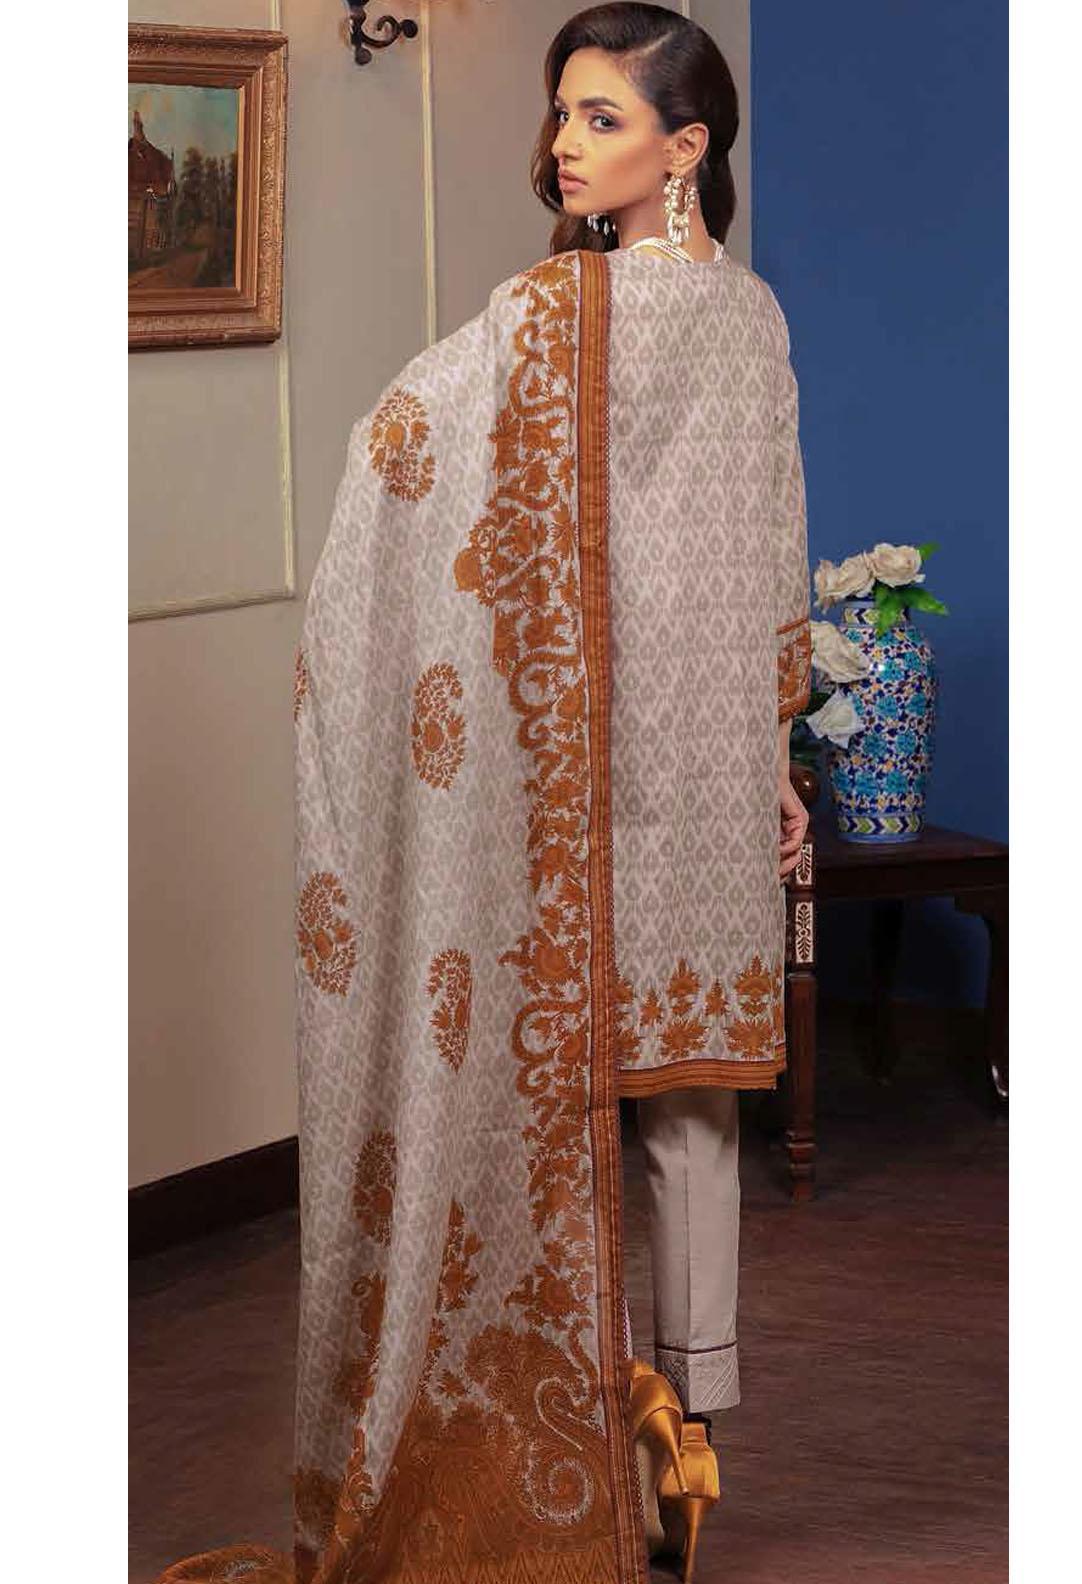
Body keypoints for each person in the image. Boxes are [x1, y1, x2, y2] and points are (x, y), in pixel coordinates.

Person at [154, 5, 811, 1582]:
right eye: (562, 114)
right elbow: (772, 553)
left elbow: (397, 449)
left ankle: (566, 1431)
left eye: (600, 118)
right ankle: (688, 1440)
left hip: (564, 774)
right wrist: (774, 755)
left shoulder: (543, 318)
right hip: (702, 771)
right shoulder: (752, 319)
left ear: (686, 147)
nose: (564, 145)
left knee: (555, 1096)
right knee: (690, 1107)